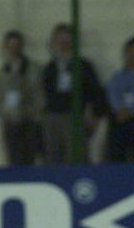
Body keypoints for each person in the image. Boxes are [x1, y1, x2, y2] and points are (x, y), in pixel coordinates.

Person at [40, 22, 107, 164]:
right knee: (53, 157)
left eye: (67, 37)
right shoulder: (49, 68)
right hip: (52, 117)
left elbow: (96, 92)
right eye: (60, 38)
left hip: (74, 117)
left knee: (76, 156)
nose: (63, 42)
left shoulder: (83, 66)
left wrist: (96, 115)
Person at [0, 29, 44, 166]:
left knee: (31, 159)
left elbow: (40, 95)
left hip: (30, 122)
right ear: (5, 47)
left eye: (17, 45)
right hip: (10, 124)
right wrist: (2, 116)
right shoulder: (1, 74)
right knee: (13, 161)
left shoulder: (34, 70)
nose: (14, 49)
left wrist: (33, 114)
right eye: (10, 45)